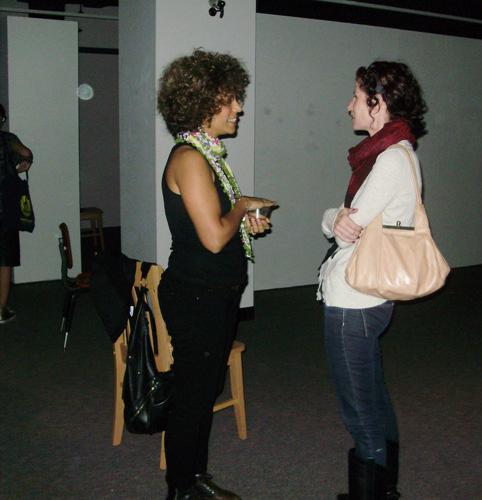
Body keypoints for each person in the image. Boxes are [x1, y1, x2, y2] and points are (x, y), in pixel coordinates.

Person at [157, 49, 274, 500]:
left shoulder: (208, 156)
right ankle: (181, 488)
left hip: (216, 292)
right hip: (197, 295)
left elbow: (215, 224)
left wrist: (241, 218)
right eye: (231, 99)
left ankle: (194, 477)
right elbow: (210, 239)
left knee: (204, 390)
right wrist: (242, 206)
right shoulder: (190, 158)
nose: (239, 108)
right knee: (193, 395)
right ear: (205, 101)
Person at [318, 61, 426, 499]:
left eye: (357, 97)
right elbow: (350, 221)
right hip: (368, 298)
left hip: (354, 302)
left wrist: (329, 216)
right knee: (374, 397)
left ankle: (374, 493)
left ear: (377, 103)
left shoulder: (389, 159)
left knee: (360, 409)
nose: (349, 106)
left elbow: (345, 226)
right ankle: (385, 488)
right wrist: (338, 218)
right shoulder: (398, 152)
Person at [0, 103, 33, 324]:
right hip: (6, 207)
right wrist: (23, 165)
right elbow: (27, 154)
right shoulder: (8, 139)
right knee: (4, 261)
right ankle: (0, 309)